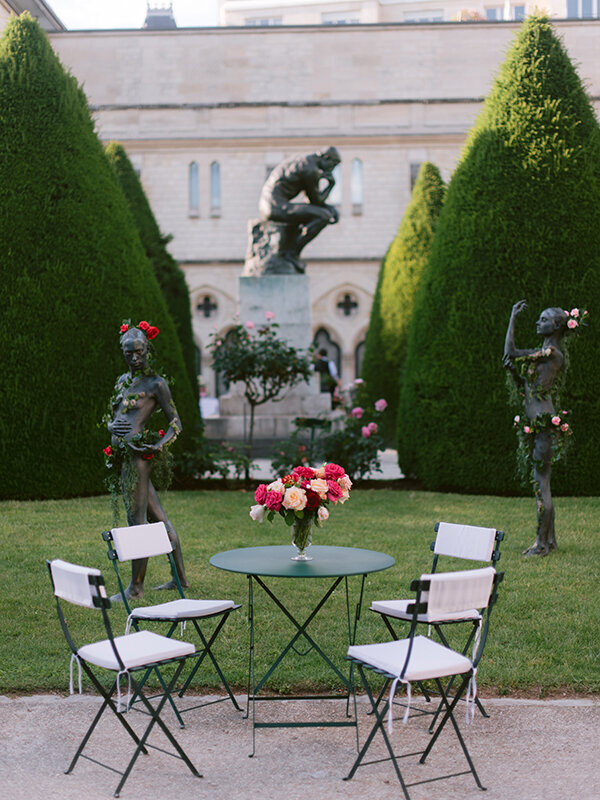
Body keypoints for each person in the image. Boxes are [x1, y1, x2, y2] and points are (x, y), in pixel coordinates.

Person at [107, 323, 189, 598]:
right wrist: (111, 428)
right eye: (128, 353)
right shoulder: (122, 381)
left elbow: (175, 422)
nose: (134, 358)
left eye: (139, 352)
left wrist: (159, 444)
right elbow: (116, 417)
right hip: (123, 456)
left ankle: (136, 587)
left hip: (139, 458)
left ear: (147, 350)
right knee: (158, 518)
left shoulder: (156, 384)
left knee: (136, 520)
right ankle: (180, 579)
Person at [503, 300, 568, 556]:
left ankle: (541, 545)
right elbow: (529, 389)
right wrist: (514, 375)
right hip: (537, 424)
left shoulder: (552, 353)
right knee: (541, 482)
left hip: (543, 426)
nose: (538, 322)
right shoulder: (543, 354)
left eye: (544, 319)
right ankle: (549, 540)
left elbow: (511, 351)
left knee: (541, 483)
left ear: (556, 326)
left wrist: (512, 317)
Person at [259, 147, 341, 257]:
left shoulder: (303, 160)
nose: (331, 170)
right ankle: (291, 253)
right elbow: (315, 201)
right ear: (326, 158)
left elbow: (311, 201)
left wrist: (328, 207)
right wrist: (331, 185)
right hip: (275, 207)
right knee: (323, 216)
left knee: (320, 213)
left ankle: (289, 248)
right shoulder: (310, 169)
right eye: (333, 165)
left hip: (268, 205)